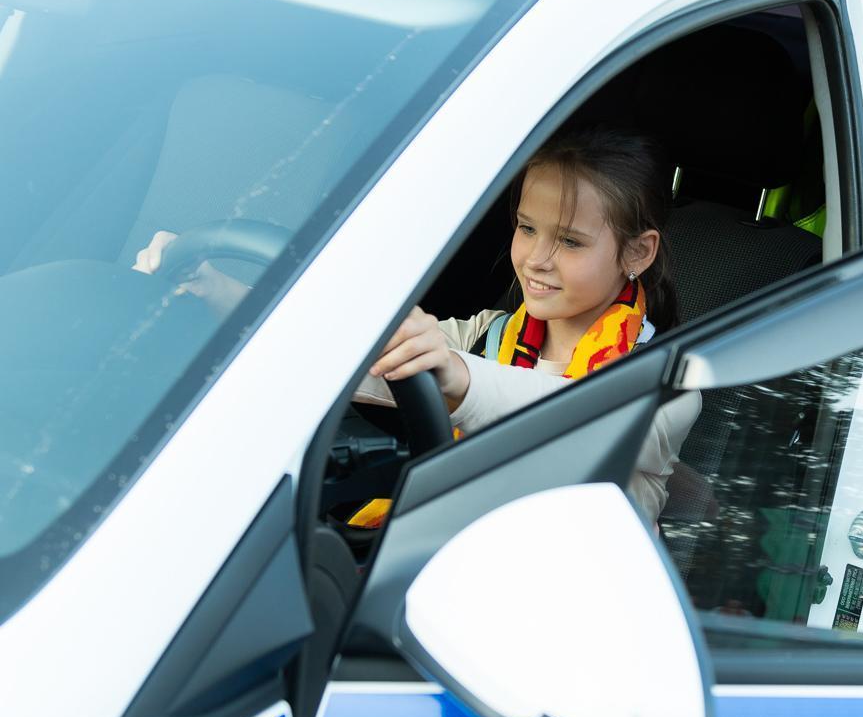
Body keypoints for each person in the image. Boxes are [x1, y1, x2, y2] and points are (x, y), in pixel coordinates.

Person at [136, 125, 700, 522]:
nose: (536, 259)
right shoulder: (487, 335)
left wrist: (457, 375)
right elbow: (347, 351)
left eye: (570, 242)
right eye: (527, 228)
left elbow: (582, 416)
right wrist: (219, 291)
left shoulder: (670, 384)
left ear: (638, 252)